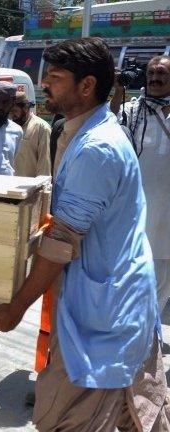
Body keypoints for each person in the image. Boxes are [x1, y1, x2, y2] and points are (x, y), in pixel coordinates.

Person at [0, 38, 169, 432]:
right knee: (136, 415)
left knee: (66, 418)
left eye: (55, 77)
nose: (44, 84)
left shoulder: (97, 148)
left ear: (86, 86)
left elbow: (63, 241)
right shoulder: (80, 131)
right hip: (110, 303)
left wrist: (16, 307)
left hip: (107, 314)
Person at [111, 55, 170, 312]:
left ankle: (151, 335)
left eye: (162, 74)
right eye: (151, 73)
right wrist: (117, 91)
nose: (155, 78)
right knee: (130, 276)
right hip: (137, 215)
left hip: (167, 220)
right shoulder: (133, 111)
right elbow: (109, 122)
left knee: (162, 280)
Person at [0, 82, 24, 176]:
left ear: (13, 103)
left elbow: (12, 160)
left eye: (5, 102)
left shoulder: (17, 131)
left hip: (7, 186)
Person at [11, 91, 52, 178]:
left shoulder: (42, 128)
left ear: (25, 108)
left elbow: (44, 164)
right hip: (9, 186)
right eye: (10, 111)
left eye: (14, 111)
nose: (12, 115)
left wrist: (41, 188)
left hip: (29, 188)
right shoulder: (9, 126)